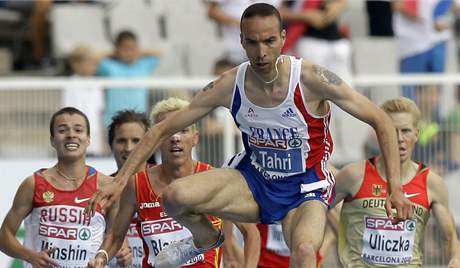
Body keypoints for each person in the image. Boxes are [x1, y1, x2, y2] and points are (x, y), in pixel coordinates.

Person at [87, 4, 412, 268]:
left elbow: (381, 120)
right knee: (174, 198)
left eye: (269, 41)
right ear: (241, 41)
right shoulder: (231, 84)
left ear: (283, 38)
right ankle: (204, 240)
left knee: (302, 252)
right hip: (254, 181)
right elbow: (162, 128)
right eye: (253, 42)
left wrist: (396, 189)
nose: (261, 52)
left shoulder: (312, 79)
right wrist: (119, 182)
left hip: (305, 187)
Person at [87, 97, 224, 268]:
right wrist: (101, 257)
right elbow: (116, 236)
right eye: (169, 131)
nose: (175, 137)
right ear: (155, 139)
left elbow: (248, 233)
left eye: (183, 130)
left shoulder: (213, 179)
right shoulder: (137, 184)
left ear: (195, 138)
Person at [333, 97, 460, 267]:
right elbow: (316, 207)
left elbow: (450, 238)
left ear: (417, 134)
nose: (399, 138)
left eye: (406, 131)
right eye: (392, 131)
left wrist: (455, 259)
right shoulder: (354, 175)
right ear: (380, 134)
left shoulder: (432, 183)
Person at [0, 107, 131, 267]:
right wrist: (30, 256)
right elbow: (4, 236)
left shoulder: (106, 186)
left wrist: (106, 256)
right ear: (52, 140)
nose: (71, 135)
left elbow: (115, 236)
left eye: (78, 129)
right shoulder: (34, 184)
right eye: (62, 130)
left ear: (88, 139)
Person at [107, 109, 152, 267]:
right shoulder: (102, 188)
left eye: (136, 140)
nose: (128, 147)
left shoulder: (166, 184)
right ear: (111, 145)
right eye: (121, 140)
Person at [97, 30, 161, 126]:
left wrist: (137, 51)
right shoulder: (109, 66)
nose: (129, 52)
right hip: (112, 120)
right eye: (125, 48)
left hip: (139, 119)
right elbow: (93, 58)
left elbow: (159, 53)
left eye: (133, 48)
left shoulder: (143, 65)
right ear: (116, 49)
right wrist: (114, 53)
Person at [62, 45, 106, 156]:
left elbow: (99, 113)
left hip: (94, 134)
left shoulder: (97, 84)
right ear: (75, 64)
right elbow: (67, 112)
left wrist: (103, 142)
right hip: (76, 133)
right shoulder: (70, 84)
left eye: (94, 63)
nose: (93, 66)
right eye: (88, 63)